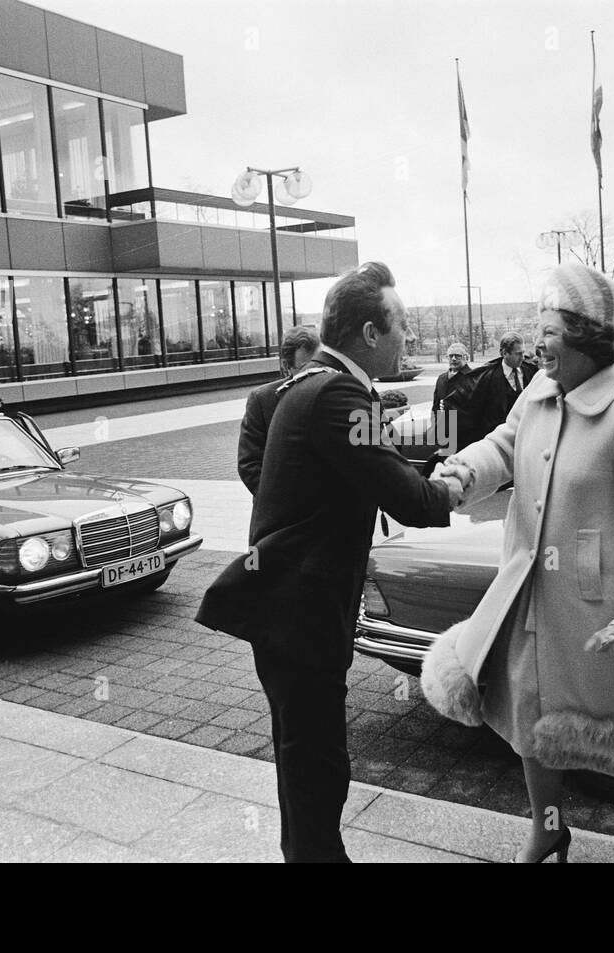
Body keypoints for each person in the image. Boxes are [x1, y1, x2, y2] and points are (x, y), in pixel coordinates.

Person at [421, 263, 614, 863]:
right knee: (533, 721)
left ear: (582, 338)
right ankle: (548, 829)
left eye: (546, 331)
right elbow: (502, 446)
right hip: (535, 600)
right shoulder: (537, 394)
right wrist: (461, 473)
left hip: (612, 614)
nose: (535, 341)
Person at [196, 262, 459, 863]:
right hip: (300, 615)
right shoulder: (337, 394)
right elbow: (409, 499)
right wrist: (468, 478)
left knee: (304, 756)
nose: (408, 338)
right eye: (401, 326)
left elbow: (376, 471)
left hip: (288, 612)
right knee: (317, 762)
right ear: (370, 333)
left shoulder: (311, 385)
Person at [237, 325, 320, 495]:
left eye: (319, 366)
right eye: (306, 368)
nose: (315, 374)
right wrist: (278, 501)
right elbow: (249, 464)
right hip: (282, 513)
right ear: (286, 366)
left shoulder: (337, 393)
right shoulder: (262, 400)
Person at [469, 331, 538, 442]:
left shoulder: (531, 371)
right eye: (518, 354)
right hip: (500, 439)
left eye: (523, 353)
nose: (522, 357)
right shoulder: (487, 379)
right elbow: (476, 414)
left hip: (528, 437)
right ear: (504, 353)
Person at [432, 341, 480, 452]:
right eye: (450, 356)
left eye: (457, 356)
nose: (453, 359)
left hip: (465, 436)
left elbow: (477, 409)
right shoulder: (441, 378)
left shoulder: (474, 378)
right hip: (444, 434)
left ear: (466, 357)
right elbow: (435, 407)